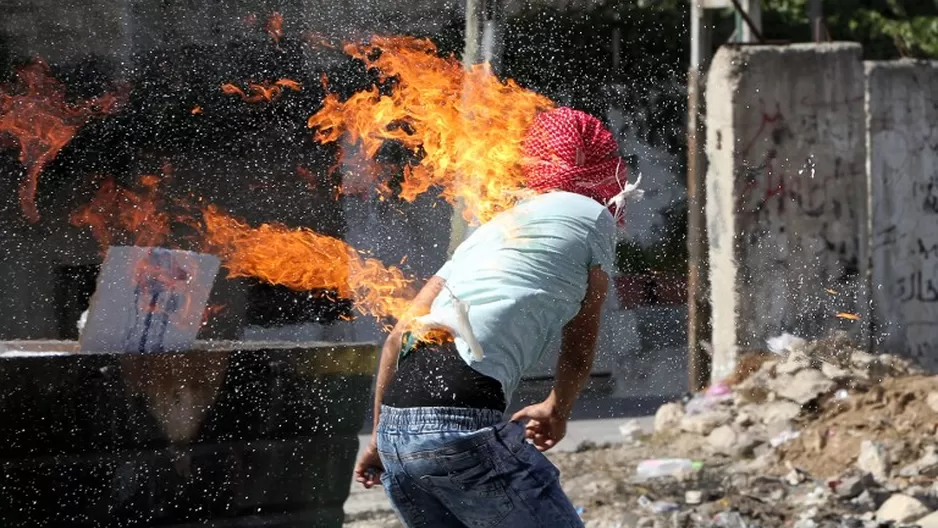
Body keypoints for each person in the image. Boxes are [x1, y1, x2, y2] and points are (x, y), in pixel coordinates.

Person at [353, 106, 641, 528]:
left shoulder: (490, 230)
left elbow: (397, 339)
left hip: (396, 433)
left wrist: (380, 440)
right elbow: (579, 344)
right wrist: (557, 408)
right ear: (600, 165)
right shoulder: (592, 217)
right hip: (459, 427)